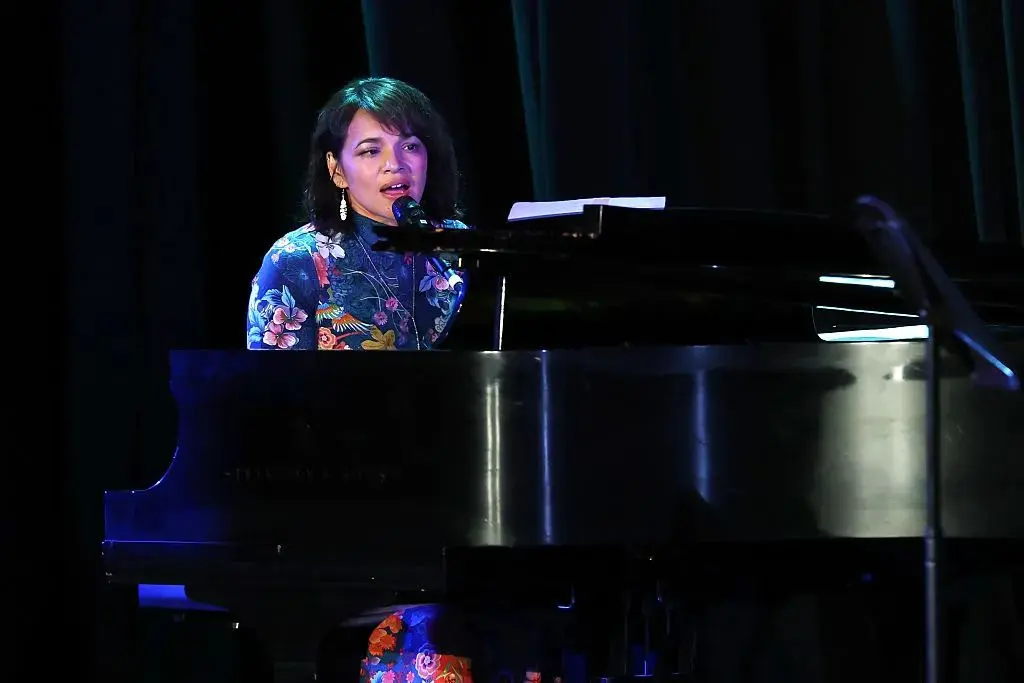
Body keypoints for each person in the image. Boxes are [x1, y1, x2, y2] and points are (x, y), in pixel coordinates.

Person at [246, 76, 471, 351]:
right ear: (337, 169)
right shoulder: (295, 260)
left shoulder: (462, 245)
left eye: (410, 146)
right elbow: (274, 388)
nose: (395, 164)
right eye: (371, 151)